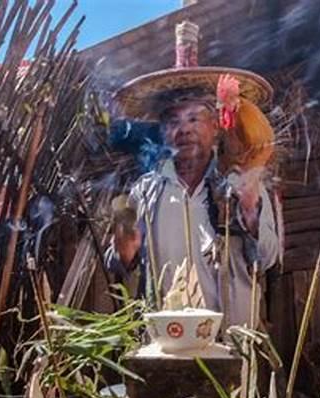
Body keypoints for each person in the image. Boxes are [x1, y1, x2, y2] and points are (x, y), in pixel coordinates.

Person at [104, 23, 280, 329]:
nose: (184, 129)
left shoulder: (240, 184)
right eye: (173, 121)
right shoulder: (143, 193)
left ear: (215, 126)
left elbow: (268, 259)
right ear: (163, 132)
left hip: (229, 343)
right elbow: (117, 263)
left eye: (195, 118)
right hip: (165, 343)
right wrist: (125, 250)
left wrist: (251, 211)